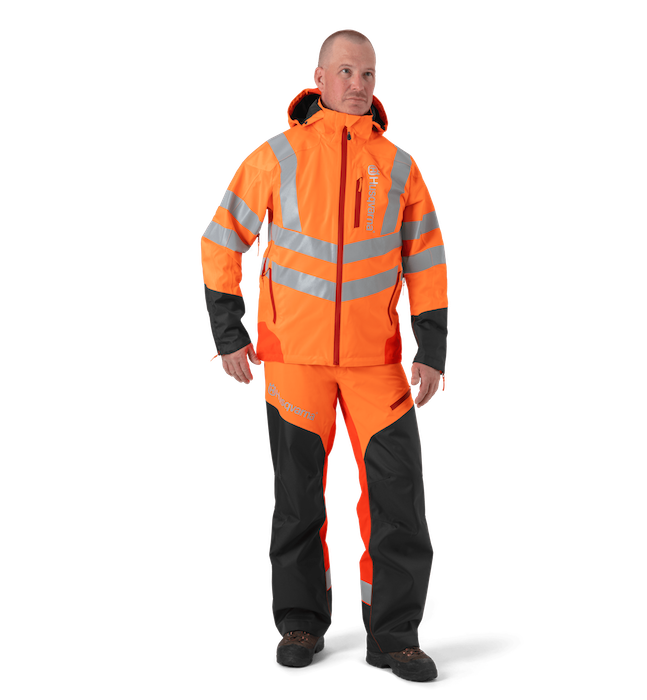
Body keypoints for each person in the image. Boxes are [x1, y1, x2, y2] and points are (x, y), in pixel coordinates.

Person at [199, 28, 448, 682]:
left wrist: (432, 349)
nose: (357, 84)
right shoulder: (276, 156)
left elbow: (427, 263)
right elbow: (220, 242)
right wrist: (230, 336)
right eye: (345, 71)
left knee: (398, 498)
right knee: (298, 500)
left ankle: (394, 634)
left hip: (378, 363)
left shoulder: (400, 167)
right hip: (294, 360)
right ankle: (300, 622)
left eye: (367, 74)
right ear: (318, 77)